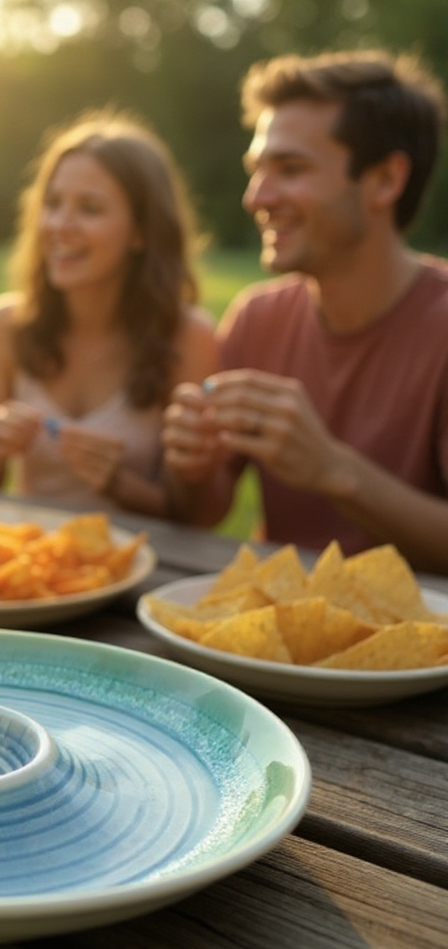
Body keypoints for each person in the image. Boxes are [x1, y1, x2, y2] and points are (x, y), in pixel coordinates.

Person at [162, 49, 448, 574]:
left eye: (289, 169)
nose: (256, 197)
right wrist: (191, 466)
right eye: (257, 171)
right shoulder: (258, 317)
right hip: (279, 637)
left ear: (386, 179)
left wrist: (336, 471)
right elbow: (205, 512)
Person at [0, 110, 216, 516]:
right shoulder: (4, 324)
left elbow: (196, 516)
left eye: (90, 208)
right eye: (53, 203)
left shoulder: (187, 335)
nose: (60, 225)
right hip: (34, 560)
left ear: (141, 232)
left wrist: (119, 484)